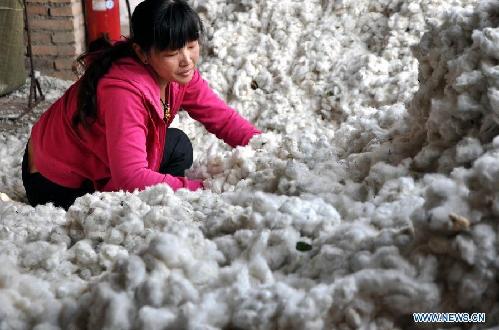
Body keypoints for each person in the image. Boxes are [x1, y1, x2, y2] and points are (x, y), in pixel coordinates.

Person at [22, 0, 261, 210]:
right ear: (143, 53)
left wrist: (265, 148)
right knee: (126, 197)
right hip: (53, 181)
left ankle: (155, 195)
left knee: (178, 145)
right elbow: (130, 176)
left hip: (100, 159)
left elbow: (224, 119)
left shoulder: (179, 74)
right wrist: (206, 189)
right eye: (172, 53)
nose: (186, 60)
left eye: (191, 46)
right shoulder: (122, 91)